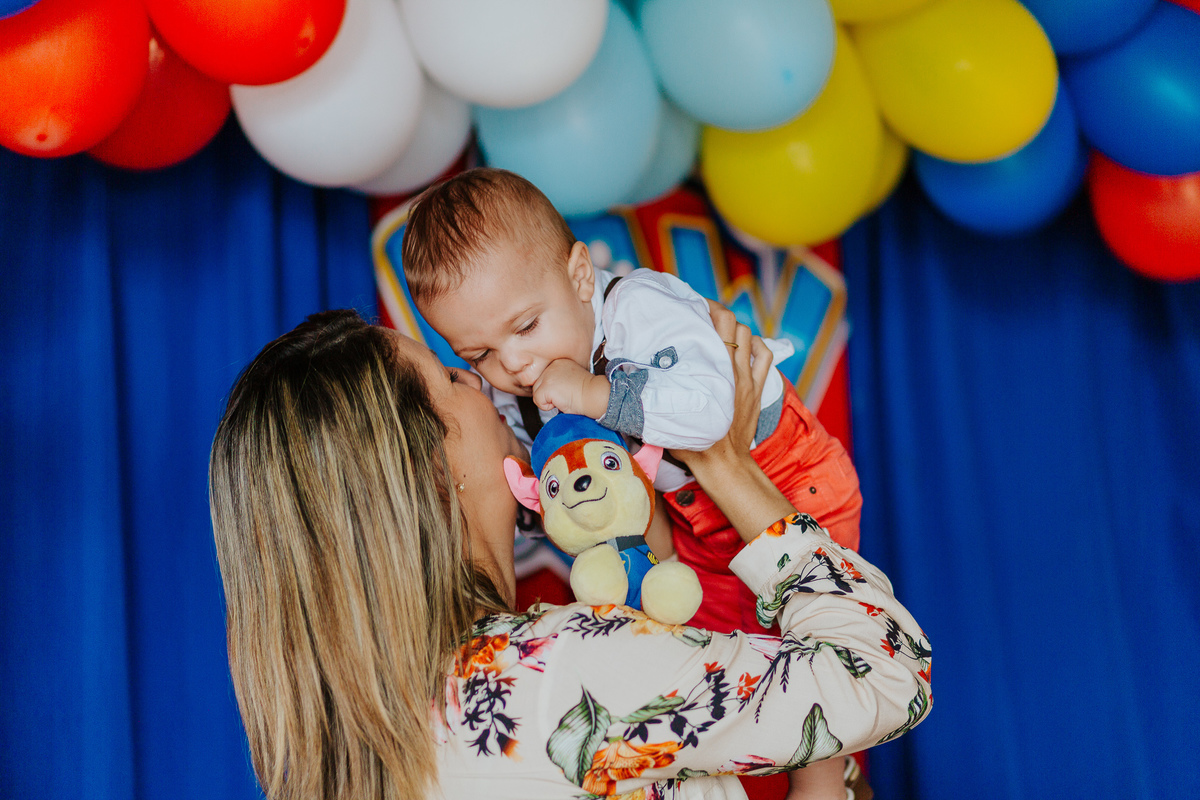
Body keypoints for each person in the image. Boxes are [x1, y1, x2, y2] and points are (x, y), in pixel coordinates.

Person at [208, 306, 932, 800]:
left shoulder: (356, 751)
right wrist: (721, 463)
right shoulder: (560, 673)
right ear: (437, 467)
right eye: (458, 376)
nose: (498, 386)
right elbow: (889, 675)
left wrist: (821, 765)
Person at [401, 168, 864, 799]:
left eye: (526, 326)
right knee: (724, 647)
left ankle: (825, 784)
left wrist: (596, 394)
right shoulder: (528, 380)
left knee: (802, 632)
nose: (510, 364)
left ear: (580, 275)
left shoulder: (639, 309)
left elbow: (708, 415)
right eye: (476, 355)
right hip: (694, 514)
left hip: (787, 477)